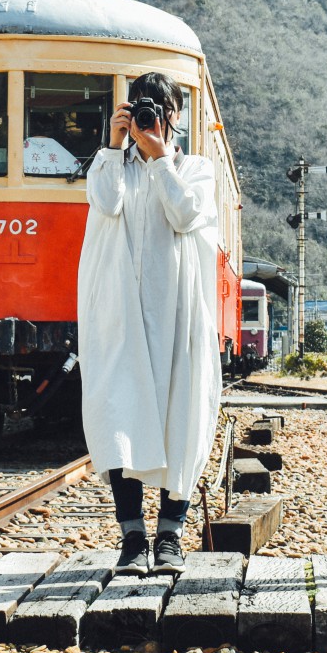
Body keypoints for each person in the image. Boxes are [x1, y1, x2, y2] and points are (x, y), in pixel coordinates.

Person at [77, 72, 222, 577]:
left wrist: (160, 157)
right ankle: (133, 537)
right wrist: (114, 146)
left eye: (158, 109)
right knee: (122, 415)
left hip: (177, 315)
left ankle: (171, 535)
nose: (148, 118)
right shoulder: (111, 164)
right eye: (141, 107)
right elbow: (106, 202)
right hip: (120, 316)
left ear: (174, 116)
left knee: (179, 415)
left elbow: (184, 215)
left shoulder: (195, 168)